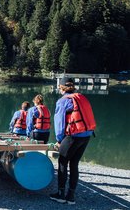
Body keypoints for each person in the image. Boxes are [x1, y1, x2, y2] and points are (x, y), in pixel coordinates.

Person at [50, 77, 96, 205]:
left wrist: (59, 140)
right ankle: (71, 196)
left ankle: (60, 194)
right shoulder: (80, 97)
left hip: (73, 136)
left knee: (63, 162)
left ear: (62, 87)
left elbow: (59, 123)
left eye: (59, 87)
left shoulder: (63, 101)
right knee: (74, 164)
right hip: (86, 135)